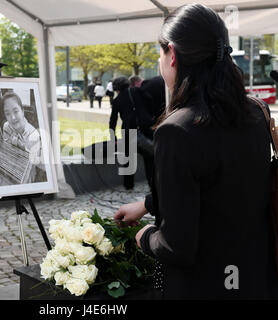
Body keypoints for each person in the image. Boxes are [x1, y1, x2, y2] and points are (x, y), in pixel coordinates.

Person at [114, 3, 278, 299]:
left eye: (160, 53)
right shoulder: (256, 111)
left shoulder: (176, 130)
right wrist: (149, 204)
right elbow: (221, 184)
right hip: (256, 278)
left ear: (172, 54)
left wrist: (143, 236)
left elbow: (176, 247)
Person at [2, 91, 42, 182]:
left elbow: (36, 161)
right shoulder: (6, 127)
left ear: (22, 111)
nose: (13, 118)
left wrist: (23, 147)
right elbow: (6, 150)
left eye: (16, 111)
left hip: (26, 178)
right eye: (8, 114)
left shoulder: (33, 134)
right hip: (9, 170)